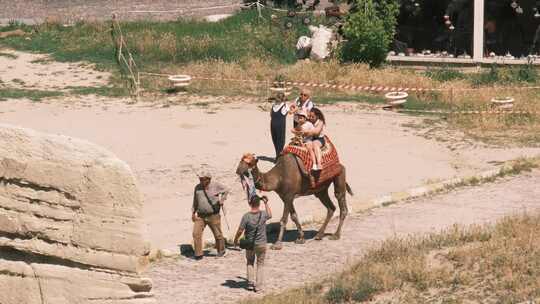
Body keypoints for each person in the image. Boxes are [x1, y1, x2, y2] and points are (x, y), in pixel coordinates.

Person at [233, 195, 272, 293]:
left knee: (250, 262)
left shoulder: (246, 216)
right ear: (259, 204)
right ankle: (258, 286)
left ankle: (250, 283)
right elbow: (270, 215)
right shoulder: (263, 214)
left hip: (249, 244)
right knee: (260, 264)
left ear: (250, 204)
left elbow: (240, 230)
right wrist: (266, 203)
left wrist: (236, 239)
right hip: (262, 243)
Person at [191, 169, 229, 260]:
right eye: (200, 179)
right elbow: (195, 201)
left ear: (208, 179)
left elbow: (226, 190)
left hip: (213, 215)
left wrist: (222, 200)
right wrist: (193, 212)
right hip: (200, 215)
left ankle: (221, 251)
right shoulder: (197, 187)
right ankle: (198, 254)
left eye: (203, 179)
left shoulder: (216, 185)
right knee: (196, 233)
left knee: (218, 234)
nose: (201, 181)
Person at [270, 92, 293, 160]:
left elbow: (290, 112)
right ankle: (278, 155)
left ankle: (279, 156)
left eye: (277, 98)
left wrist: (295, 109)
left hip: (278, 125)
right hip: (275, 125)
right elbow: (271, 114)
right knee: (276, 140)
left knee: (279, 141)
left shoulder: (284, 105)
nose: (277, 99)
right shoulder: (274, 105)